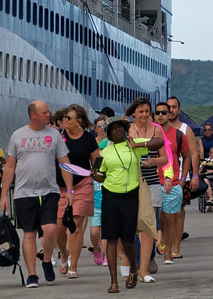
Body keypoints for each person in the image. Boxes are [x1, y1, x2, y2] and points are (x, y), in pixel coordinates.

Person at [0, 100, 75, 288]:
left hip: (49, 190)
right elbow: (10, 166)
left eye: (48, 112)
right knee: (29, 233)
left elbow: (64, 162)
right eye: (44, 113)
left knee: (50, 229)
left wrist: (70, 189)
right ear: (33, 115)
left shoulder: (54, 135)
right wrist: (2, 195)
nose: (48, 115)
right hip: (24, 192)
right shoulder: (18, 135)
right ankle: (32, 274)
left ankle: (47, 260)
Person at [92, 116, 140, 292]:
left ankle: (133, 268)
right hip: (111, 197)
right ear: (109, 133)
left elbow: (157, 142)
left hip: (130, 196)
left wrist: (139, 145)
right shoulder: (104, 152)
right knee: (110, 239)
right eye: (114, 128)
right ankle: (113, 282)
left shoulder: (132, 145)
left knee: (128, 240)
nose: (119, 130)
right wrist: (94, 174)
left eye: (121, 127)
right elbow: (100, 175)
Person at [126, 98, 168, 284]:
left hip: (151, 181)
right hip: (132, 182)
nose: (144, 115)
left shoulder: (156, 130)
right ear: (133, 113)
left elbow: (164, 158)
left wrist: (153, 162)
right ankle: (137, 261)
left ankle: (147, 258)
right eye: (140, 111)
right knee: (134, 225)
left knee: (150, 224)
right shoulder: (127, 130)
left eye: (146, 111)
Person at [56, 104, 100, 278]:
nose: (64, 120)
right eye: (64, 117)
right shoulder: (59, 137)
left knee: (75, 225)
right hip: (60, 187)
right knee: (59, 228)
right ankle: (63, 253)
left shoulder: (88, 139)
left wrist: (96, 173)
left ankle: (73, 266)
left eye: (69, 118)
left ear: (79, 121)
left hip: (82, 184)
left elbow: (96, 162)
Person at [166, 96, 200, 260]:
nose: (171, 110)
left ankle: (176, 247)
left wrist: (194, 175)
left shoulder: (185, 129)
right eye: (168, 107)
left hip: (180, 177)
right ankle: (165, 242)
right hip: (161, 177)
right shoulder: (158, 128)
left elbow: (193, 153)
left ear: (179, 109)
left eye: (174, 107)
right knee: (164, 214)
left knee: (179, 212)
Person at [156, 100, 189, 264]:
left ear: (170, 114)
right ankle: (162, 240)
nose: (161, 115)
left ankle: (169, 252)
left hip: (173, 182)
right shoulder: (150, 134)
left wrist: (184, 178)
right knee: (161, 217)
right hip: (154, 181)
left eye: (164, 112)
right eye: (158, 112)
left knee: (170, 217)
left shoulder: (178, 135)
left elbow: (188, 156)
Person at [90, 117, 109, 267]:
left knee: (106, 227)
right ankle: (97, 248)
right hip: (94, 188)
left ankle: (105, 254)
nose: (102, 128)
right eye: (100, 126)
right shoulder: (92, 145)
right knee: (94, 232)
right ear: (95, 128)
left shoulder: (111, 144)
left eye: (105, 126)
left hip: (107, 189)